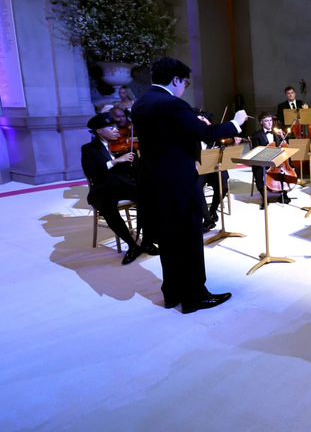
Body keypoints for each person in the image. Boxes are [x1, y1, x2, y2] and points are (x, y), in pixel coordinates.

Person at [131, 57, 247, 314]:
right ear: (175, 80)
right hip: (178, 182)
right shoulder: (172, 103)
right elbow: (205, 134)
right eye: (184, 82)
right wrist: (236, 122)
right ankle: (195, 296)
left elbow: (166, 137)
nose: (184, 86)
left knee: (169, 240)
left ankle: (171, 293)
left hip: (153, 180)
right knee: (189, 238)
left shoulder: (140, 103)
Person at [81, 112, 159, 265]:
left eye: (116, 126)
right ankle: (132, 245)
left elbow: (136, 170)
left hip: (125, 185)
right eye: (111, 127)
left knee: (149, 197)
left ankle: (147, 242)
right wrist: (115, 161)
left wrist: (136, 160)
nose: (116, 130)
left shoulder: (124, 145)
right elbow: (91, 172)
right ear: (99, 131)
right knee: (108, 208)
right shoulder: (89, 149)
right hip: (104, 188)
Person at [196, 111, 242, 230]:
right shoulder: (192, 135)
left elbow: (219, 135)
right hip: (198, 169)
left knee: (223, 185)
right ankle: (207, 219)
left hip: (213, 167)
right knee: (196, 188)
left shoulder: (213, 134)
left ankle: (213, 210)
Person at [250, 112, 293, 209]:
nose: (269, 123)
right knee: (257, 171)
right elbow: (256, 151)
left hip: (277, 160)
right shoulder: (257, 135)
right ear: (261, 122)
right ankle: (264, 197)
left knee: (286, 170)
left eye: (270, 120)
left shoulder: (277, 133)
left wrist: (282, 138)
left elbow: (284, 147)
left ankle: (284, 194)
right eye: (266, 121)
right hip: (264, 160)